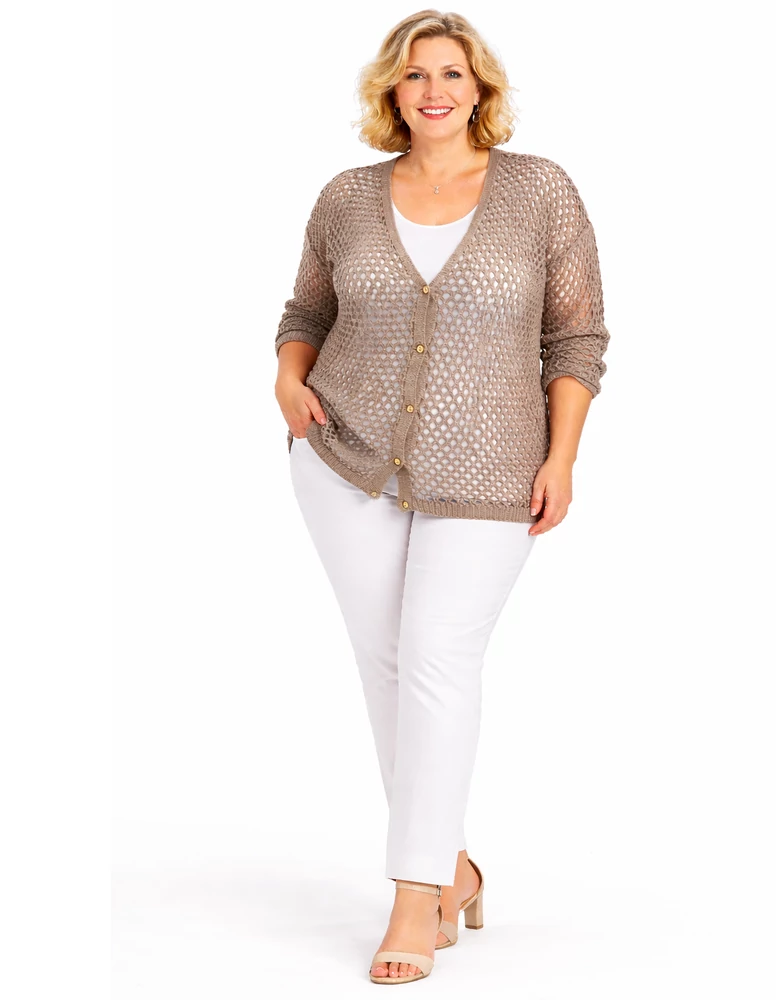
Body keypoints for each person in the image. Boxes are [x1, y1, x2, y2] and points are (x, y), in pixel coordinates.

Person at [273, 10, 610, 985]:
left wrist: (563, 457)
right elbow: (307, 312)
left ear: (479, 89)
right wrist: (288, 381)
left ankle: (415, 894)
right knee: (388, 665)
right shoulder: (346, 197)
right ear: (392, 90)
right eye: (415, 74)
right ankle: (451, 865)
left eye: (452, 73)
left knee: (434, 658)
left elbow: (575, 339)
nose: (434, 90)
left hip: (494, 468)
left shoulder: (539, 192)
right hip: (343, 459)